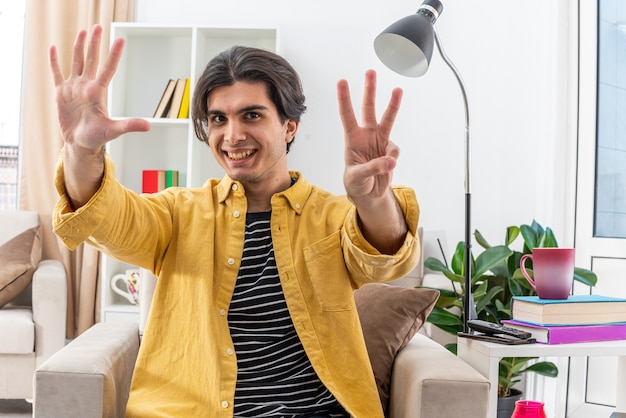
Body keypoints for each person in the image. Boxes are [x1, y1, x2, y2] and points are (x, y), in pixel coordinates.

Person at [49, 24, 420, 417]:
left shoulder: (332, 216)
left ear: (289, 126)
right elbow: (106, 219)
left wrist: (374, 200)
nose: (233, 135)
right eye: (218, 119)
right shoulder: (179, 213)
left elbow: (385, 258)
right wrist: (80, 151)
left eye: (252, 115)